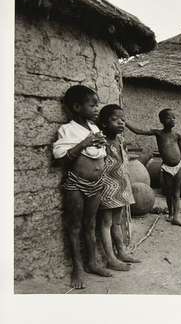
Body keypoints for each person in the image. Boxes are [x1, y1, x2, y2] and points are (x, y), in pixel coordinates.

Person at [53, 85, 110, 289]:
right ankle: (77, 267)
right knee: (75, 225)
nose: (97, 109)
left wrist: (99, 143)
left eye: (97, 105)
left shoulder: (94, 128)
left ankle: (92, 262)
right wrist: (84, 143)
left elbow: (99, 153)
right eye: (92, 105)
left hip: (96, 184)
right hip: (76, 184)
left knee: (91, 223)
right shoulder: (67, 129)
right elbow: (61, 159)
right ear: (77, 107)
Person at [126, 109, 181, 226]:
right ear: (162, 121)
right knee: (168, 192)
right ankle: (170, 214)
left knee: (176, 192)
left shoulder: (177, 136)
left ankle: (176, 217)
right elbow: (139, 131)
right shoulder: (159, 133)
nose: (172, 120)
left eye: (173, 117)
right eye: (169, 118)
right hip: (166, 168)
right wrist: (125, 122)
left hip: (178, 166)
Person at [97, 104, 141, 271]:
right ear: (104, 123)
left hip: (122, 185)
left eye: (123, 119)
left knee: (117, 221)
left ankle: (121, 251)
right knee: (106, 222)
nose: (121, 122)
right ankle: (110, 258)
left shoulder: (120, 140)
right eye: (115, 119)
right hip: (107, 186)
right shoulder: (101, 141)